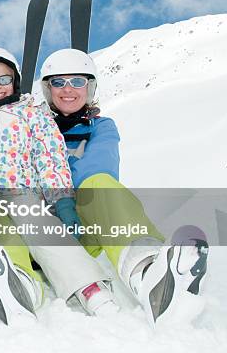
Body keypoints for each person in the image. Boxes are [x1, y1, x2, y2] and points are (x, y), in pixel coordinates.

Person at [0, 46, 118, 326]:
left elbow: (50, 160)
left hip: (19, 190)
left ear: (14, 78)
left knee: (38, 226)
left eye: (3, 79)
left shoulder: (34, 114)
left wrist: (63, 202)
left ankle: (88, 287)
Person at [39, 48, 209, 326]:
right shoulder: (31, 127)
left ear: (90, 88)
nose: (68, 90)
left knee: (100, 185)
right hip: (42, 229)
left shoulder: (101, 127)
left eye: (78, 82)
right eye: (58, 82)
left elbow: (97, 169)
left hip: (83, 228)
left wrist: (56, 172)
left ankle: (148, 274)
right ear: (48, 90)